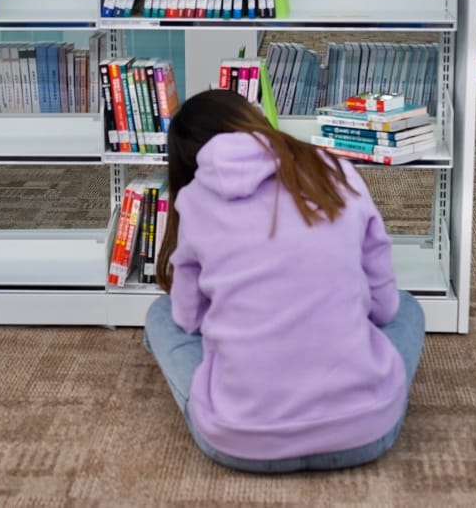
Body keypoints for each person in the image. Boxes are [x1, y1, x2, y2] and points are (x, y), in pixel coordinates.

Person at [143, 89, 425, 473]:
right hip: (364, 434)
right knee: (406, 305)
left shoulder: (193, 200)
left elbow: (190, 320)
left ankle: (242, 387)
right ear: (253, 121)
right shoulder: (333, 169)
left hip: (242, 441)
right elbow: (385, 308)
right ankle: (355, 386)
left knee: (162, 313)